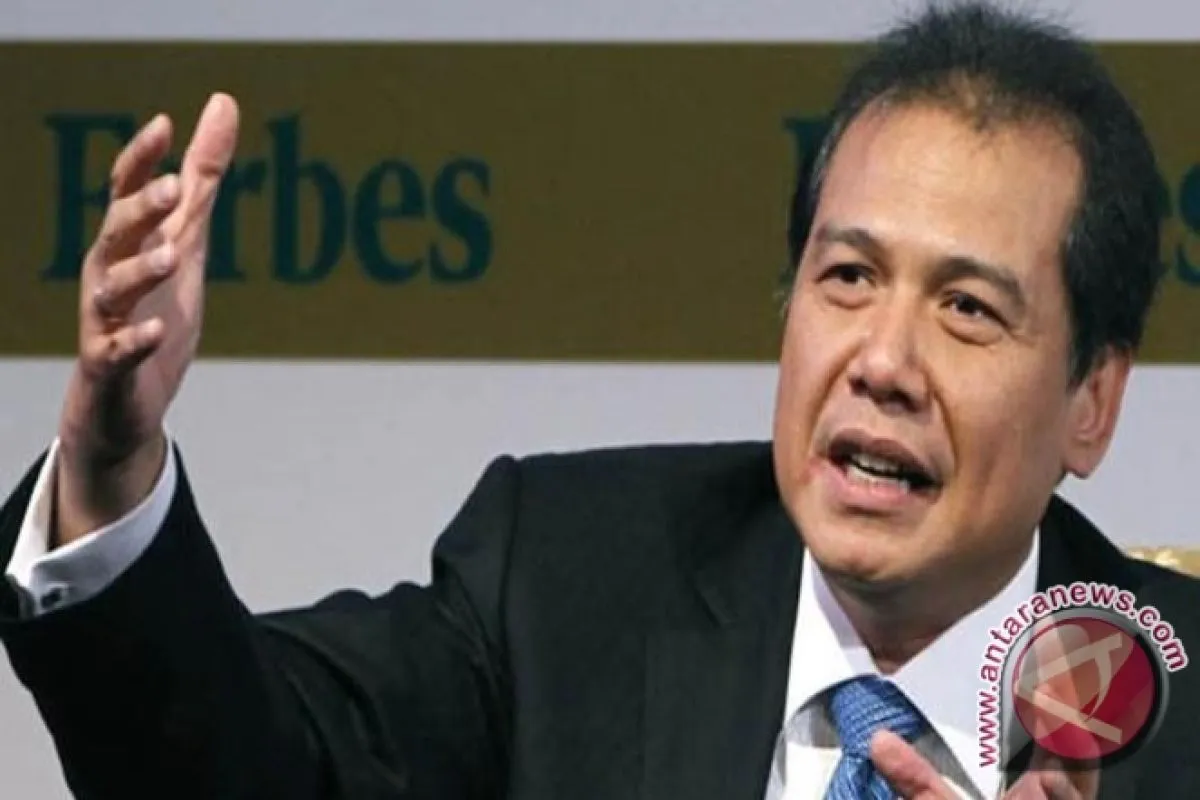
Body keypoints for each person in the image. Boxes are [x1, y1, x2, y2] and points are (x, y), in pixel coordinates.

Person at [2, 2, 1198, 798]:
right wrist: (113, 463)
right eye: (847, 277)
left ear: (1091, 402)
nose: (882, 359)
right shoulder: (570, 581)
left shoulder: (1180, 716)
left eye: (968, 308)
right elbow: (243, 764)